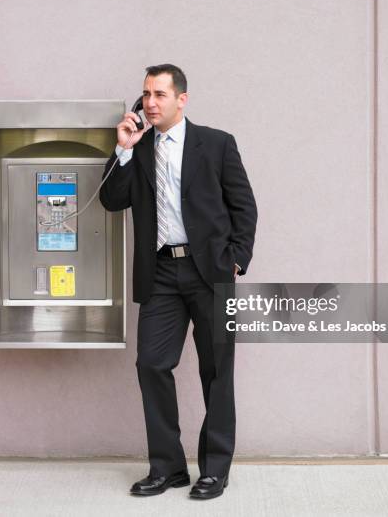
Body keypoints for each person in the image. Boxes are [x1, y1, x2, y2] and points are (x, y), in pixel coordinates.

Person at [99, 64, 257, 500]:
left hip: (211, 273)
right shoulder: (139, 147)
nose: (150, 103)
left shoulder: (217, 144)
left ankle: (215, 470)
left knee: (217, 372)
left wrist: (237, 261)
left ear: (181, 99)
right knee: (151, 364)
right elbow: (112, 200)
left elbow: (244, 206)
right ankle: (167, 468)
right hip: (162, 272)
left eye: (160, 95)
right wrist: (124, 150)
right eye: (146, 94)